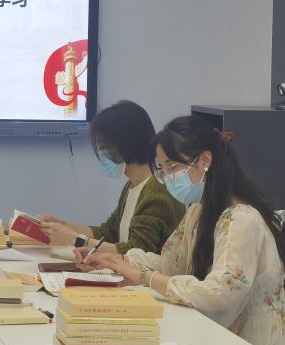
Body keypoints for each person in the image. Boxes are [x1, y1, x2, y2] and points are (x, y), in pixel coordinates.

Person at [80, 115, 285, 345]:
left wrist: (144, 277)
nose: (167, 177)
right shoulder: (199, 209)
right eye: (162, 169)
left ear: (205, 161)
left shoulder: (242, 219)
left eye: (171, 166)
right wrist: (120, 261)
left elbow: (218, 295)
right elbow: (172, 263)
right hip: (216, 337)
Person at [36, 100, 184, 254]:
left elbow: (134, 253)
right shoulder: (133, 185)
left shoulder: (157, 192)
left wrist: (75, 239)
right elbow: (108, 233)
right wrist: (62, 226)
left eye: (103, 146)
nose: (100, 152)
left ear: (125, 144)